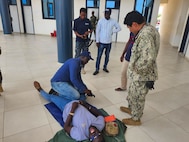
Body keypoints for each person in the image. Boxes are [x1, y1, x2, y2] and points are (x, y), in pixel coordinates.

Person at [120, 11, 160, 125]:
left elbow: (148, 58)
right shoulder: (148, 28)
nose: (129, 30)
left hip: (142, 74)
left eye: (129, 27)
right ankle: (132, 109)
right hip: (139, 73)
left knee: (138, 96)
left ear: (134, 24)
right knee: (133, 92)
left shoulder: (145, 34)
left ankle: (136, 118)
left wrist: (136, 69)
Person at [93, 8, 121, 75]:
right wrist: (97, 41)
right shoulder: (101, 21)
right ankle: (97, 69)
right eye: (105, 13)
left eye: (107, 13)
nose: (106, 14)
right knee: (99, 56)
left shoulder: (113, 21)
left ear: (110, 14)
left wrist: (112, 31)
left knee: (107, 56)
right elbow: (97, 31)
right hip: (101, 42)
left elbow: (119, 28)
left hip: (109, 42)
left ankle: (105, 67)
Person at [73, 8, 93, 74]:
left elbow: (91, 29)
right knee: (77, 54)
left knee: (85, 56)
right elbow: (75, 31)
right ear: (80, 13)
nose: (83, 16)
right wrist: (79, 35)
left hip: (86, 41)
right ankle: (75, 67)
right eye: (82, 15)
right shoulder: (76, 21)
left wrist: (88, 32)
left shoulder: (88, 21)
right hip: (79, 40)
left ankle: (82, 68)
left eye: (84, 15)